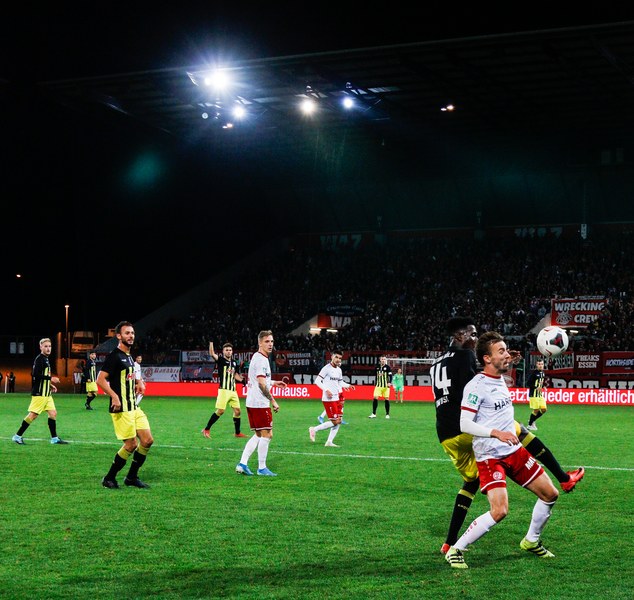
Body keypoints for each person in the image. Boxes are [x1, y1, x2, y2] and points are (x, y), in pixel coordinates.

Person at [432, 317, 584, 556]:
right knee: (519, 431)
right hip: (466, 426)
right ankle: (564, 478)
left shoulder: (437, 361)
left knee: (472, 480)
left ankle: (449, 542)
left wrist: (503, 360)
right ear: (459, 336)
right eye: (472, 334)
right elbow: (480, 382)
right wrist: (500, 364)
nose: (475, 339)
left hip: (445, 433)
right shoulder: (466, 355)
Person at [445, 331, 560, 569]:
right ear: (487, 358)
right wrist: (495, 433)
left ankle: (531, 540)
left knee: (550, 494)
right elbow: (464, 424)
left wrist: (508, 359)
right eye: (501, 351)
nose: (507, 354)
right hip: (490, 456)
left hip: (514, 451)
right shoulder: (476, 386)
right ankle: (456, 549)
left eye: (507, 350)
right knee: (500, 511)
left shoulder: (498, 377)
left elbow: (500, 376)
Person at [97, 321, 153, 489]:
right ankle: (109, 478)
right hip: (121, 409)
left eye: (132, 333)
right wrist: (114, 396)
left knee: (147, 440)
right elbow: (100, 379)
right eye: (127, 333)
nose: (131, 336)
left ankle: (131, 477)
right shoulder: (114, 356)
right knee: (131, 445)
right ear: (119, 336)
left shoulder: (128, 356)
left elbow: (130, 375)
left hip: (134, 406)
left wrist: (139, 382)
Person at [235, 330, 287, 476]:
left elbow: (261, 380)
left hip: (252, 401)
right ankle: (262, 468)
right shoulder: (261, 360)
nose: (270, 344)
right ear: (260, 343)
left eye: (272, 341)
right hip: (259, 403)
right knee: (268, 434)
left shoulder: (258, 357)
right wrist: (273, 400)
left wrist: (274, 382)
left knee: (259, 434)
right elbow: (262, 385)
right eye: (267, 341)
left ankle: (242, 463)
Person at [12, 337, 68, 445]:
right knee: (33, 415)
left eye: (49, 346)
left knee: (53, 413)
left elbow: (42, 376)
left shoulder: (46, 359)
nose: (48, 348)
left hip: (47, 393)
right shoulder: (39, 359)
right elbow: (35, 375)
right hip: (40, 393)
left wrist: (49, 384)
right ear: (40, 347)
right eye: (45, 346)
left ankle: (54, 438)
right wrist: (51, 379)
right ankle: (17, 436)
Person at [309, 350, 355, 447]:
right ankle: (314, 429)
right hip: (328, 399)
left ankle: (329, 441)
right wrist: (326, 390)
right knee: (335, 421)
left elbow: (340, 382)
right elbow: (317, 381)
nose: (338, 359)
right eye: (336, 357)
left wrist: (348, 385)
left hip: (336, 398)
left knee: (339, 420)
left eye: (340, 358)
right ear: (332, 357)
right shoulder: (326, 368)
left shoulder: (339, 370)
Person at [202, 341, 246, 438]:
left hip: (233, 390)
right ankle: (207, 429)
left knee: (238, 411)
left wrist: (242, 380)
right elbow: (212, 353)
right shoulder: (221, 360)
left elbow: (235, 375)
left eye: (230, 350)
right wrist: (211, 342)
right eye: (227, 350)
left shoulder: (234, 363)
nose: (229, 352)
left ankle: (237, 433)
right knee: (221, 411)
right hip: (224, 390)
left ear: (232, 351)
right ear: (223, 351)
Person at [526, 358, 547, 430]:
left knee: (544, 409)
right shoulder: (534, 373)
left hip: (540, 394)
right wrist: (536, 387)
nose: (540, 365)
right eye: (539, 364)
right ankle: (529, 425)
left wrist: (543, 386)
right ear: (536, 365)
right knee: (536, 410)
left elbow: (541, 382)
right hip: (534, 394)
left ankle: (532, 420)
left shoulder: (543, 373)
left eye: (542, 364)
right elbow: (528, 383)